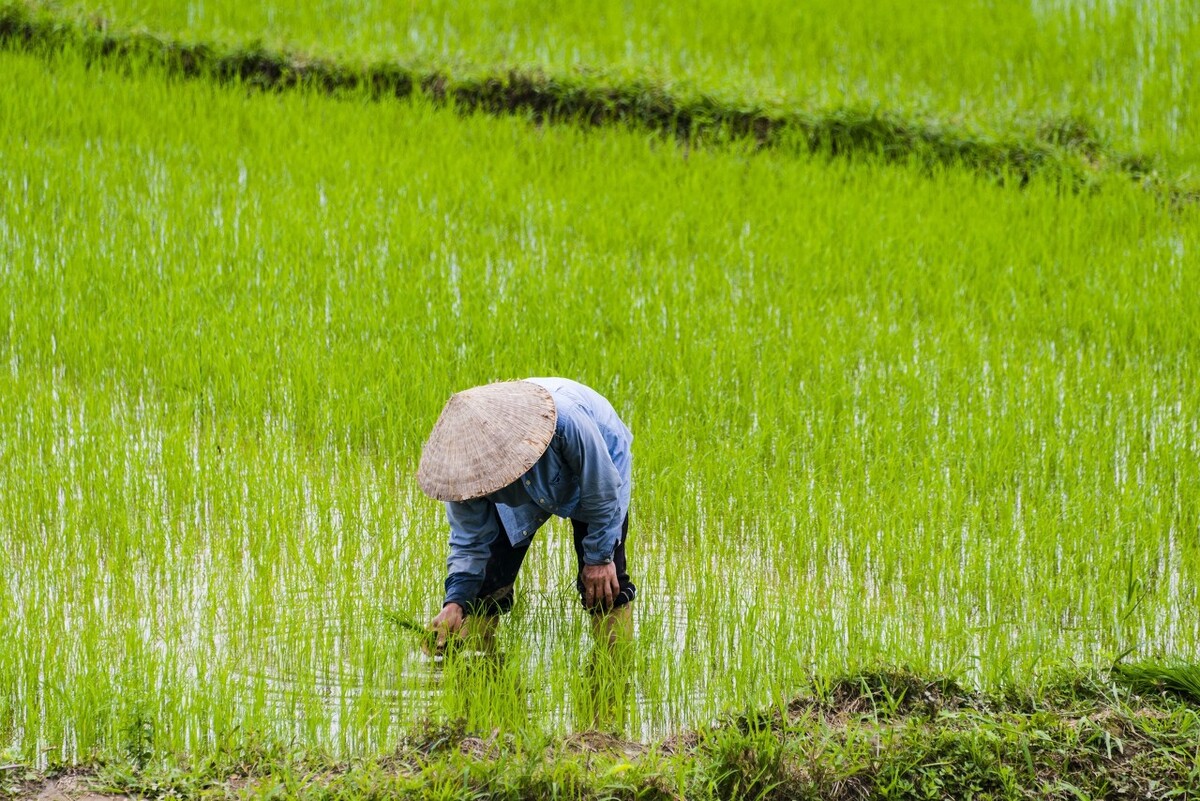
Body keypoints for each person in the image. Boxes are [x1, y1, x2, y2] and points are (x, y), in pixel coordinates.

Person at [417, 377, 636, 651]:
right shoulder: (463, 474)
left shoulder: (567, 424)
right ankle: (482, 672)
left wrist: (600, 558)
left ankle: (615, 670)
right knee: (485, 586)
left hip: (595, 471)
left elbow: (602, 490)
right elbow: (470, 543)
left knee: (604, 587)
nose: (479, 484)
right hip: (537, 477)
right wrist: (455, 602)